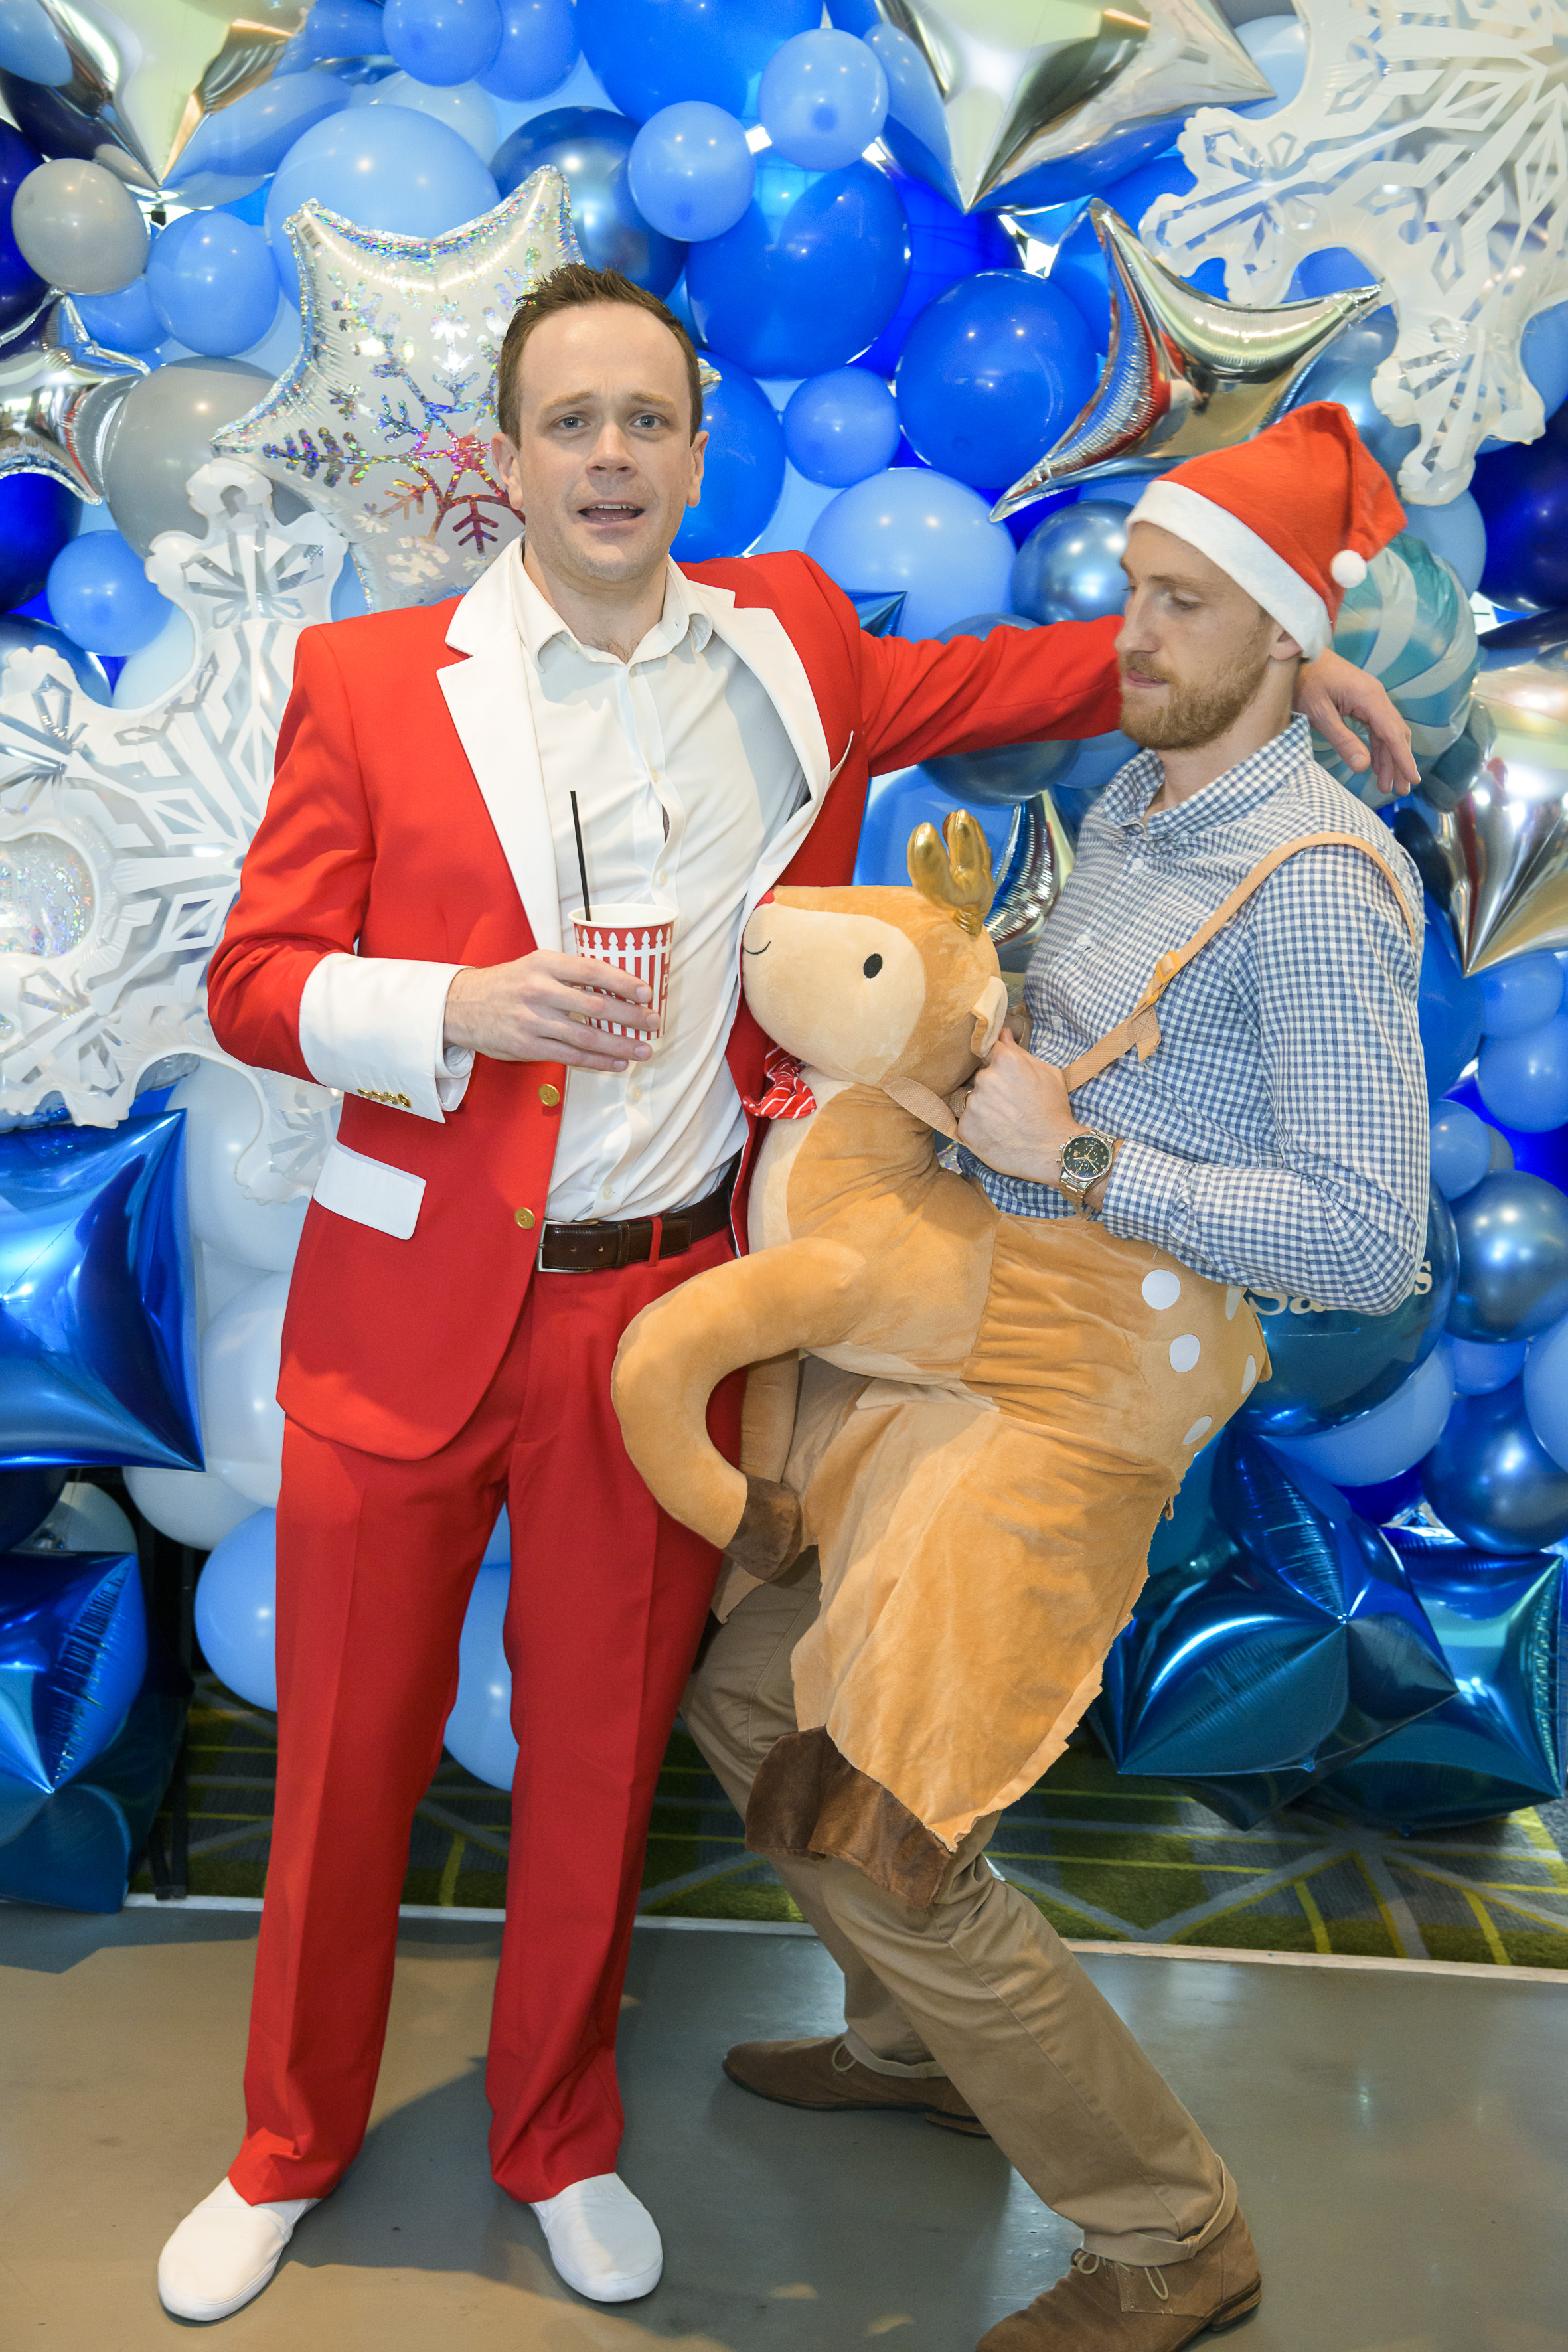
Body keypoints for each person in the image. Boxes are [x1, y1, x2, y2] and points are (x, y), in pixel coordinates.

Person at [155, 255, 1417, 2326]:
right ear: (509, 458)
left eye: (645, 420)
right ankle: (284, 2145)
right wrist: (455, 1005)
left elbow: (1021, 678)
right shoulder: (371, 680)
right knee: (342, 1774)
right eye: (570, 421)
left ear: (695, 453)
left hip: (665, 1328)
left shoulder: (794, 647)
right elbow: (253, 983)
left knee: (599, 1768)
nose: (610, 455)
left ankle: (558, 2141)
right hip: (402, 1315)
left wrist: (1267, 659)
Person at [686, 403, 1428, 2351]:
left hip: (1085, 1390)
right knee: (755, 1697)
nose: (1131, 632)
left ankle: (1170, 2233)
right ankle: (919, 2046)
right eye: (1136, 590)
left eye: (1184, 605)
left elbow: (1370, 1243)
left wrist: (1078, 1151)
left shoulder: (1320, 887)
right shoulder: (1148, 794)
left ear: (1282, 634)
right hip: (975, 1330)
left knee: (889, 1814)